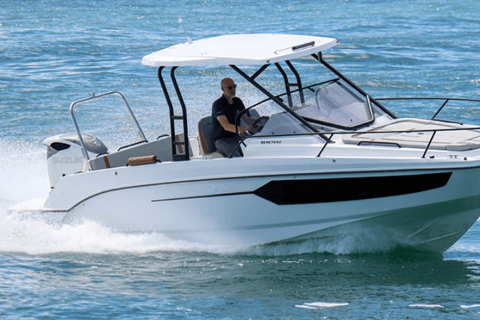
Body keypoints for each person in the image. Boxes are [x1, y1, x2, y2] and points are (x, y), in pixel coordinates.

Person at [212, 78, 252, 157]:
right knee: (238, 158)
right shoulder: (218, 104)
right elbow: (226, 126)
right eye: (230, 87)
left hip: (237, 137)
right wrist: (242, 129)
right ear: (222, 89)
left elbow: (247, 119)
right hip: (222, 140)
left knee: (255, 151)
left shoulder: (238, 101)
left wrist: (263, 121)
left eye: (234, 86)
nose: (233, 89)